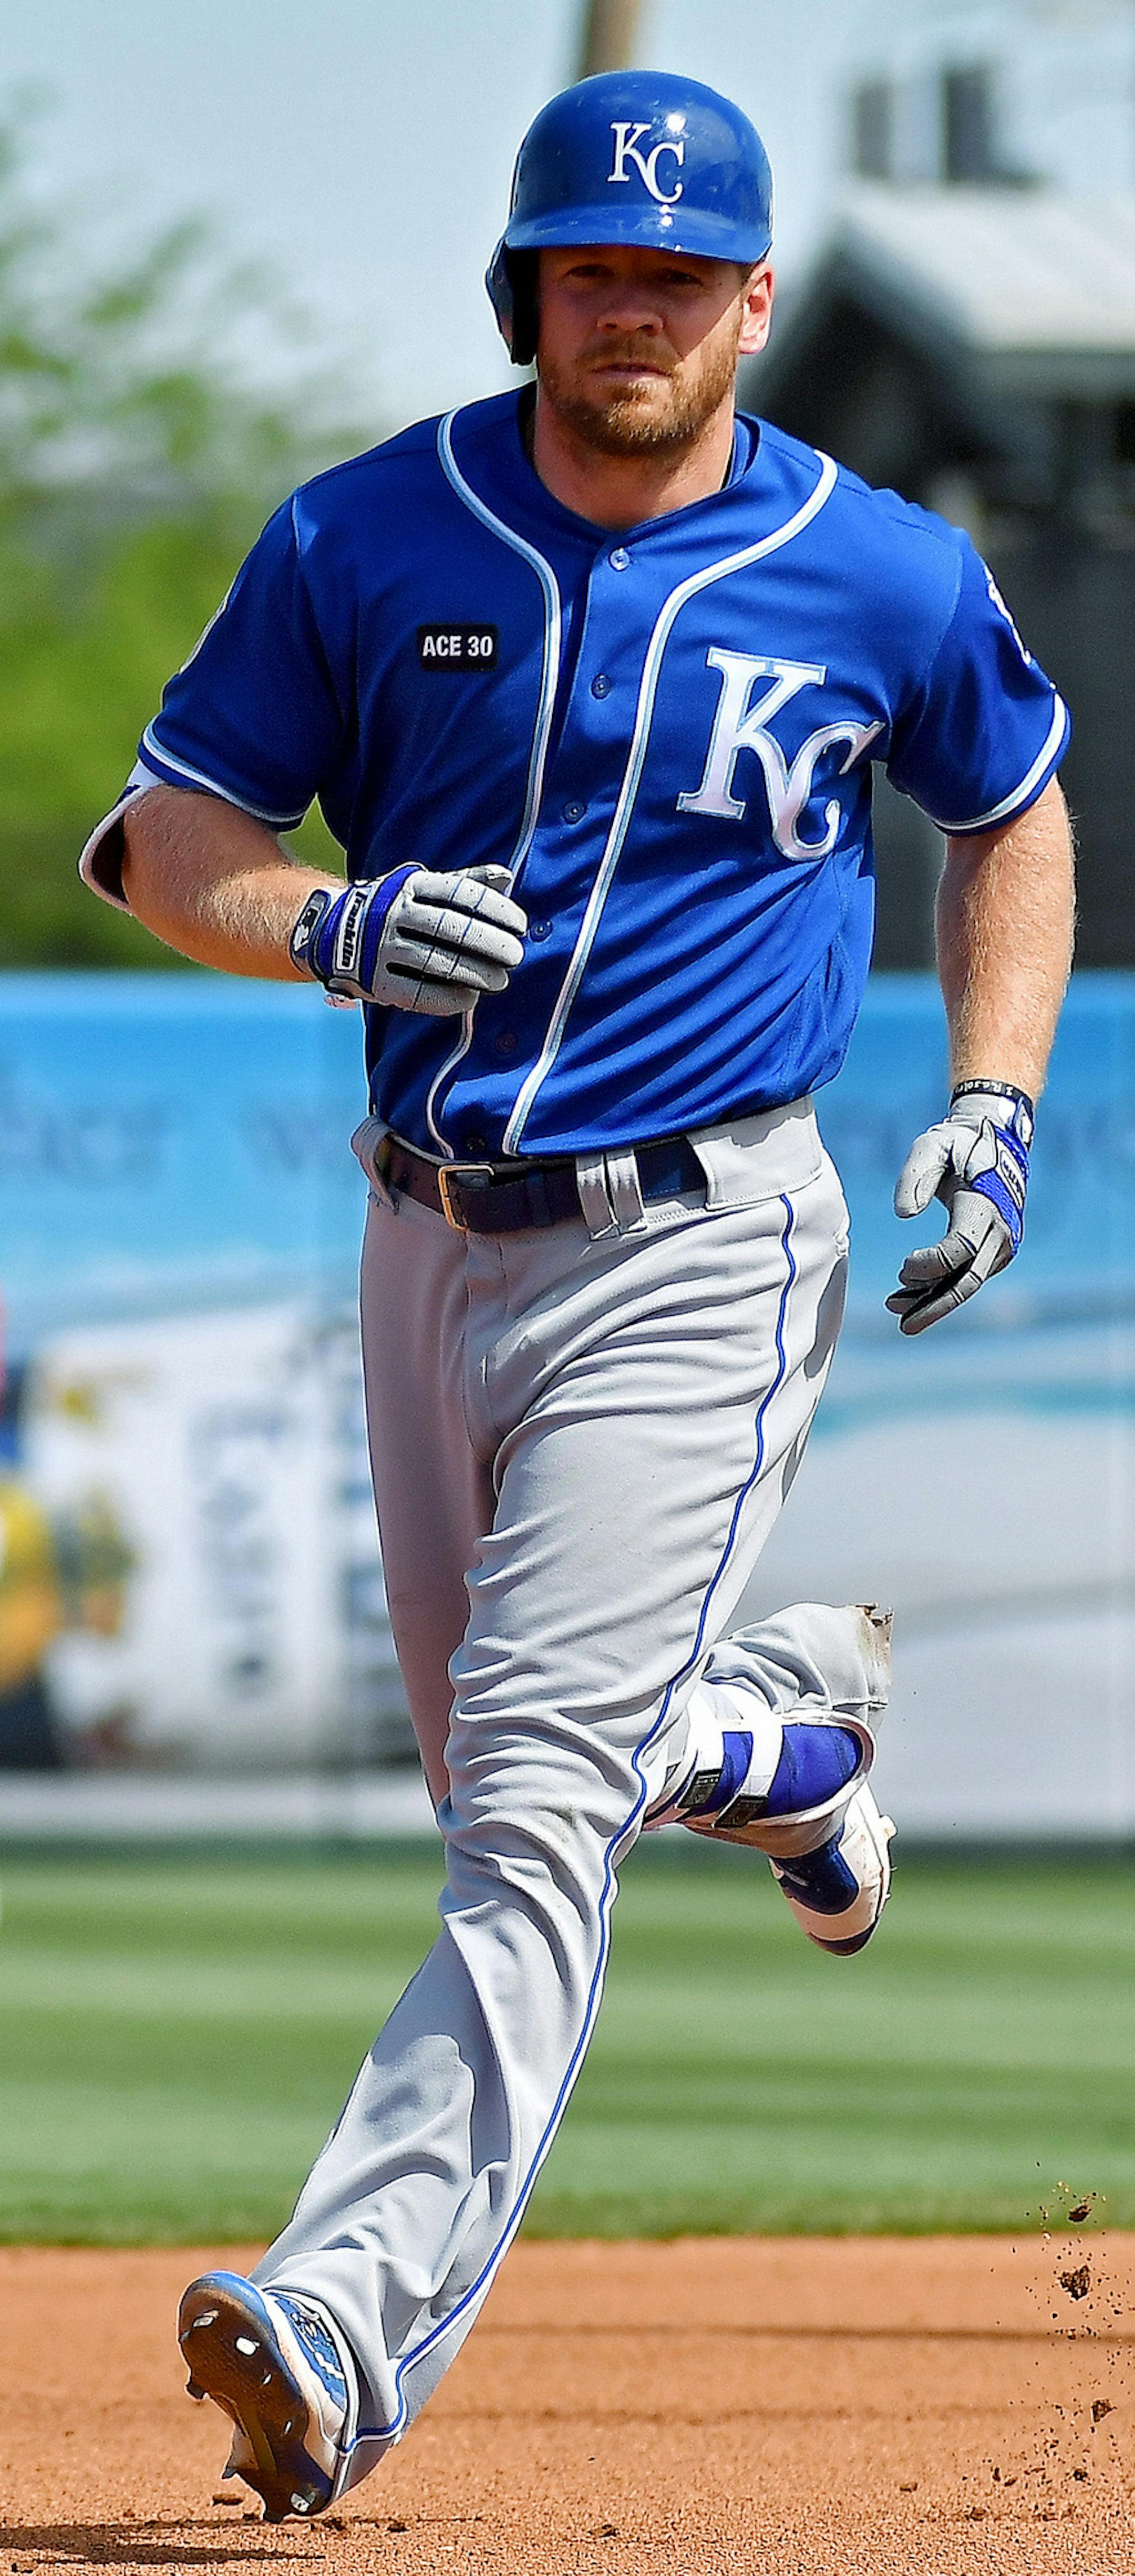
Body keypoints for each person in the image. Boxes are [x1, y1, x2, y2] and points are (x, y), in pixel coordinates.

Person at [79, 68, 1074, 2522]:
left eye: (672, 273)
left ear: (753, 299)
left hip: (704, 1239)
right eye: (581, 271)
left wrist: (994, 1093)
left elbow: (1015, 807)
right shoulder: (367, 530)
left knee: (523, 1809)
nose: (622, 309)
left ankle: (340, 2313)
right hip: (425, 1229)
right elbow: (161, 827)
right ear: (524, 287)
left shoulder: (885, 572)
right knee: (524, 1757)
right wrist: (315, 920)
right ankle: (780, 1739)